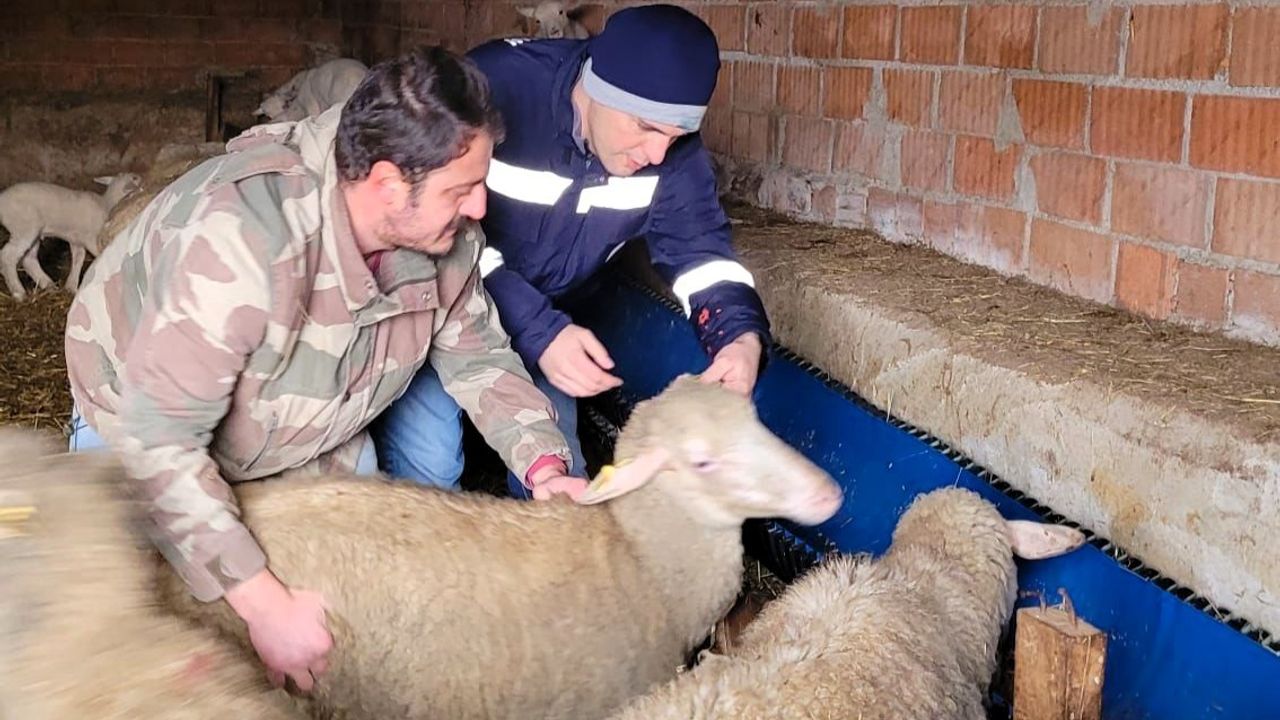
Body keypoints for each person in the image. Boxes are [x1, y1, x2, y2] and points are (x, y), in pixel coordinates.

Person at [63, 45, 583, 694]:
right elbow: (161, 443)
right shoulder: (238, 240)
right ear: (388, 183)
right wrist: (264, 605)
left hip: (310, 422)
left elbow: (478, 355)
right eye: (461, 189)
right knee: (142, 644)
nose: (480, 207)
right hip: (142, 426)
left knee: (348, 624)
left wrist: (543, 467)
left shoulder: (444, 237)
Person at [373, 4, 773, 497]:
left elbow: (702, 254)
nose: (657, 155)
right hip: (440, 314)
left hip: (550, 320)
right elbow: (442, 240)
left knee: (560, 475)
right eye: (645, 127)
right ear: (598, 88)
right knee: (432, 463)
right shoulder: (494, 89)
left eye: (677, 136)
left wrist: (738, 337)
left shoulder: (671, 154)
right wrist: (540, 330)